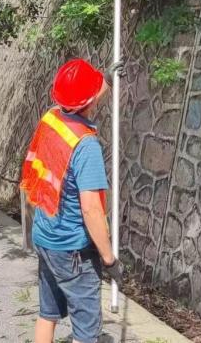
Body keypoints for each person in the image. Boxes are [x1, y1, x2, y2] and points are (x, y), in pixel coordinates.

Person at [20, 58, 123, 343]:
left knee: (47, 313)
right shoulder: (86, 146)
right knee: (86, 330)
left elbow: (81, 99)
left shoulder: (52, 118)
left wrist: (106, 80)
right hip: (73, 251)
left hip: (45, 238)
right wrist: (109, 259)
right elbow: (91, 210)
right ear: (89, 101)